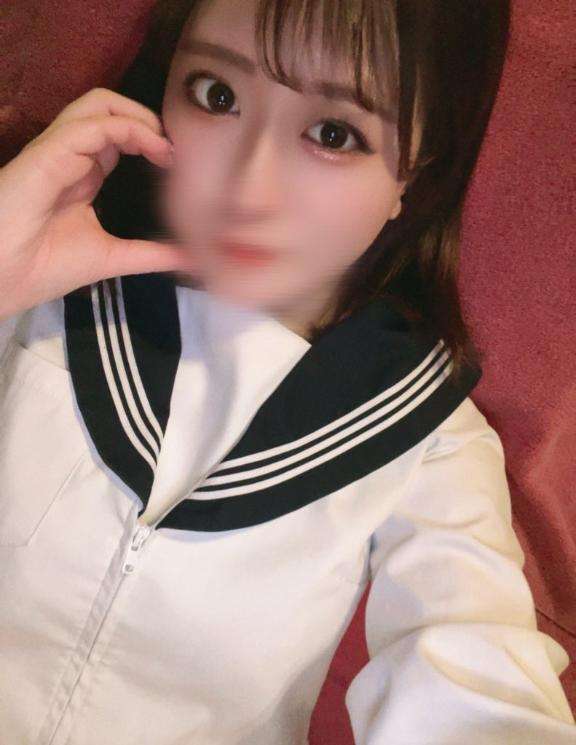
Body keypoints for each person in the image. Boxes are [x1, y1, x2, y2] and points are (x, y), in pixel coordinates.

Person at [0, 0, 574, 743]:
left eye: (334, 133)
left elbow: (479, 690)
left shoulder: (428, 438)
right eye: (217, 95)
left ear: (417, 172)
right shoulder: (45, 274)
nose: (249, 187)